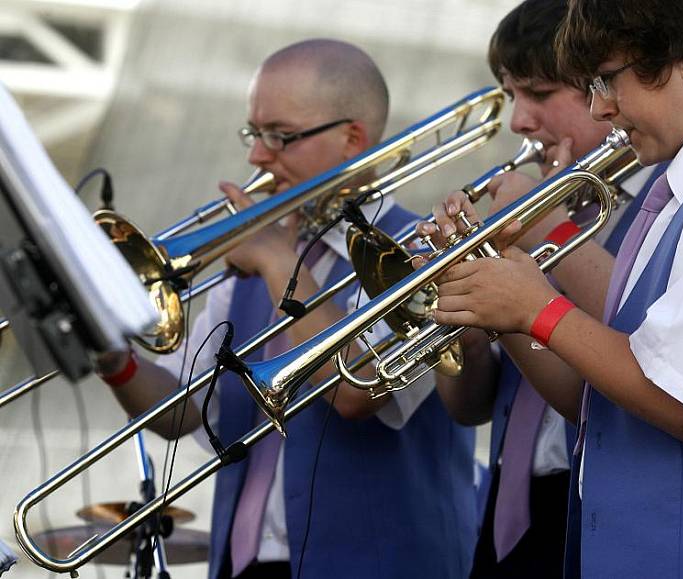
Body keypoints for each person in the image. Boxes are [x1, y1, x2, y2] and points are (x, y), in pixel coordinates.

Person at [429, 0, 683, 576]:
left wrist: (536, 307)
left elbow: (681, 402)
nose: (601, 107)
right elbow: (598, 396)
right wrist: (496, 300)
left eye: (608, 79)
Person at [96, 39, 477, 579]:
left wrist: (279, 263)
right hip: (245, 563)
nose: (256, 156)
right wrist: (112, 356)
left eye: (280, 136)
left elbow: (356, 390)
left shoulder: (419, 252)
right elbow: (181, 410)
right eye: (254, 134)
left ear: (352, 139)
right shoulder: (251, 264)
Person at [425, 1, 664, 577]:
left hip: (602, 508)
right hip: (509, 505)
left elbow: (632, 369)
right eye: (511, 95)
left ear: (605, 87)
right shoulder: (547, 200)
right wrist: (468, 316)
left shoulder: (662, 204)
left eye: (538, 92)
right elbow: (471, 407)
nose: (518, 122)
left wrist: (539, 232)